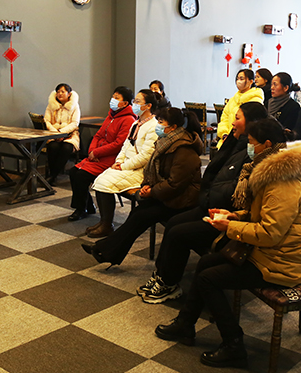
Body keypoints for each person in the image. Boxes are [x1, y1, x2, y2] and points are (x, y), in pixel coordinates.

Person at [154, 118, 301, 368]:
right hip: (270, 252)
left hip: (284, 262)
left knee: (209, 279)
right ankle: (185, 324)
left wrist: (230, 227)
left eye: (251, 142)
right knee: (206, 263)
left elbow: (270, 233)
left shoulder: (283, 183)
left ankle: (234, 345)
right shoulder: (272, 173)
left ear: (267, 145)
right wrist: (234, 216)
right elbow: (260, 215)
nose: (248, 148)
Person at [138, 102, 268, 303]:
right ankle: (162, 275)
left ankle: (168, 283)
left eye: (237, 118)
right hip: (211, 204)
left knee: (179, 233)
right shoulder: (235, 142)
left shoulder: (252, 152)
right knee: (173, 223)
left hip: (229, 216)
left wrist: (212, 199)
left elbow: (233, 190)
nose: (233, 123)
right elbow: (216, 175)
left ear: (252, 123)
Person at [82, 107, 203, 266]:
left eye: (161, 122)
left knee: (141, 215)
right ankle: (106, 252)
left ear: (173, 127)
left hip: (181, 201)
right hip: (168, 196)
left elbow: (175, 184)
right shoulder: (166, 142)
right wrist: (147, 185)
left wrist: (152, 191)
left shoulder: (184, 150)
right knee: (138, 213)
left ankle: (104, 251)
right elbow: (152, 170)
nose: (157, 125)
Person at [86, 89, 159, 238]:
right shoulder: (136, 123)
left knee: (104, 183)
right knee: (100, 180)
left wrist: (123, 166)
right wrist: (119, 161)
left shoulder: (153, 127)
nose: (134, 104)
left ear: (148, 106)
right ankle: (104, 221)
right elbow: (125, 146)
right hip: (126, 166)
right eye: (134, 101)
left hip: (141, 171)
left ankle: (107, 225)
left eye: (138, 101)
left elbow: (146, 156)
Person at [67, 86, 136, 221]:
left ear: (125, 103)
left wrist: (97, 152)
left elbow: (119, 144)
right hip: (98, 156)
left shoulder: (128, 120)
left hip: (111, 159)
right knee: (73, 172)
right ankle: (88, 206)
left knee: (81, 176)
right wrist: (92, 151)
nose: (113, 100)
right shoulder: (111, 116)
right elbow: (98, 135)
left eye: (117, 98)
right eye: (113, 97)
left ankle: (81, 209)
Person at [216, 69, 265, 149]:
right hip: (227, 140)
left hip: (244, 142)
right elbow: (224, 119)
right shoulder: (232, 100)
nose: (238, 81)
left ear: (250, 81)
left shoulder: (255, 100)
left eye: (241, 79)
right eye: (237, 79)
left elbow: (253, 125)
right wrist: (224, 134)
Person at [43, 83, 81, 183]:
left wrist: (62, 133)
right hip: (54, 134)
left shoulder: (74, 106)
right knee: (53, 147)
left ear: (69, 94)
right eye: (58, 92)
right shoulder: (51, 105)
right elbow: (47, 121)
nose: (60, 94)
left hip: (70, 135)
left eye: (63, 92)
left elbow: (75, 123)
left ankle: (53, 175)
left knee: (66, 148)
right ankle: (53, 175)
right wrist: (56, 133)